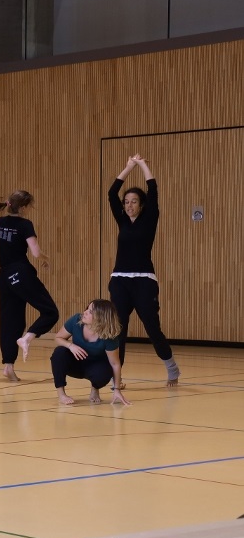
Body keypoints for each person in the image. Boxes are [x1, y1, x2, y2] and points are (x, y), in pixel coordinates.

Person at [0, 190, 59, 381]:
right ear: (24, 207)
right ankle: (26, 338)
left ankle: (8, 366)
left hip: (4, 277)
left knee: (11, 321)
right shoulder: (25, 225)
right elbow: (35, 252)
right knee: (51, 312)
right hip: (21, 273)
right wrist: (46, 258)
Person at [108, 154, 180, 386]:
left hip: (144, 281)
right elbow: (111, 193)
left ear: (141, 205)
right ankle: (117, 377)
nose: (129, 205)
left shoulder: (150, 219)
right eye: (127, 202)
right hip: (119, 280)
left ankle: (171, 367)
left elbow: (153, 189)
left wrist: (142, 165)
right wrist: (128, 167)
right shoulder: (121, 220)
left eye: (134, 201)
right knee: (118, 329)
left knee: (151, 326)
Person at [51, 300, 130, 406]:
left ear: (101, 318)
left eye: (91, 312)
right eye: (87, 308)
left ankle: (95, 388)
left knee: (105, 372)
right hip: (76, 363)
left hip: (95, 368)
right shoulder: (76, 320)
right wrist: (71, 346)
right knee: (59, 353)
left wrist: (117, 390)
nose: (85, 312)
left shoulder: (109, 336)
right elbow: (58, 338)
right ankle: (61, 394)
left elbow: (115, 364)